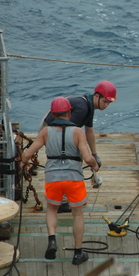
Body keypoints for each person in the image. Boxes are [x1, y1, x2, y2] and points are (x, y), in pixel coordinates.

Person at [21, 97, 100, 265]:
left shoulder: (45, 132)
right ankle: (78, 253)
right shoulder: (78, 132)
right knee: (77, 215)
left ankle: (52, 240)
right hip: (74, 179)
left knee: (52, 210)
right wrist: (95, 165)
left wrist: (23, 161)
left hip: (52, 178)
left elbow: (27, 154)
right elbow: (87, 158)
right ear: (70, 113)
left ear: (53, 114)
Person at [39, 80, 117, 213]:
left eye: (109, 103)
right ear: (96, 96)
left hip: (59, 129)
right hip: (51, 129)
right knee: (68, 159)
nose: (106, 105)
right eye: (105, 101)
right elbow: (67, 132)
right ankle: (62, 202)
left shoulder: (89, 107)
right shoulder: (82, 108)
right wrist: (83, 153)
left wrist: (94, 154)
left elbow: (89, 131)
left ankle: (65, 196)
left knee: (73, 157)